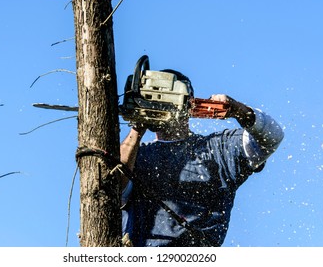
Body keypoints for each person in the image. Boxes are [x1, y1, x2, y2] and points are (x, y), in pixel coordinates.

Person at [120, 70, 284, 247]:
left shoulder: (218, 149)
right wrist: (136, 131)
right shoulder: (137, 155)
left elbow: (271, 138)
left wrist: (239, 110)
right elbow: (114, 187)